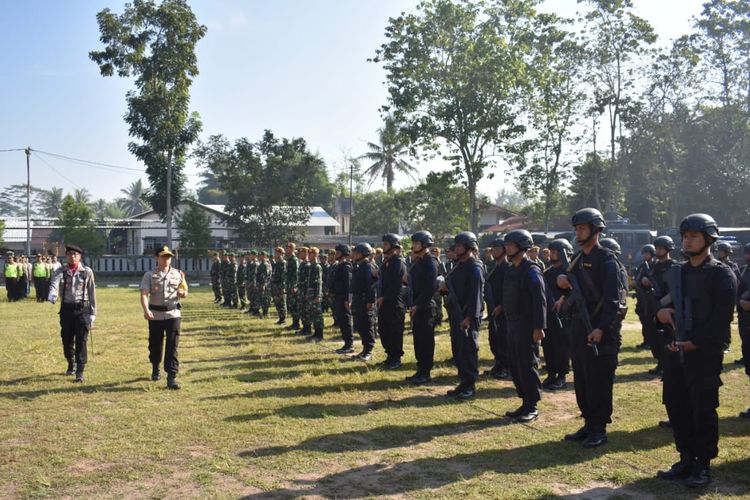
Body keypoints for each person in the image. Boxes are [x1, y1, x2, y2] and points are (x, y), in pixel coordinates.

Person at [656, 214, 736, 488]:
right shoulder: (678, 271)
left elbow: (721, 318)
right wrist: (663, 316)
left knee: (702, 408)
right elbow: (663, 306)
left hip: (704, 354)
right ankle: (686, 457)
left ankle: (702, 464)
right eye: (685, 236)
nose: (687, 241)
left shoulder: (721, 274)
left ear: (709, 239)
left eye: (693, 236)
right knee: (676, 405)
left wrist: (696, 342)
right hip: (676, 349)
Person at [558, 208, 624, 448]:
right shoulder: (577, 258)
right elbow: (568, 287)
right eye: (576, 228)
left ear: (596, 230)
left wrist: (602, 328)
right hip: (578, 327)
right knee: (583, 379)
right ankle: (588, 422)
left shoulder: (607, 260)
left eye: (583, 228)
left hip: (600, 330)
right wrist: (562, 282)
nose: (578, 232)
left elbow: (613, 301)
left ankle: (599, 427)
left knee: (599, 381)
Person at [502, 230, 546, 422]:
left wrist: (539, 327)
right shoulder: (511, 269)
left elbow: (540, 300)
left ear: (521, 247)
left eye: (510, 245)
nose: (507, 248)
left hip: (527, 325)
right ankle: (524, 401)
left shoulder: (531, 270)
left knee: (527, 364)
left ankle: (532, 405)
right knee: (515, 364)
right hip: (512, 323)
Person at [140, 244, 187, 389]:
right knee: (155, 344)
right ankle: (155, 367)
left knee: (172, 345)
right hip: (155, 315)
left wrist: (182, 293)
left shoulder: (178, 274)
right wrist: (146, 310)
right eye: (163, 256)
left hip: (173, 314)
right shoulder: (150, 275)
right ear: (156, 258)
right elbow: (144, 294)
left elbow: (185, 291)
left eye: (168, 257)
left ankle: (171, 377)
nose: (166, 259)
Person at [47, 244, 97, 382]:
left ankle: (80, 371)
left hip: (82, 310)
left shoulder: (86, 272)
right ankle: (71, 361)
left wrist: (93, 312)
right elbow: (54, 283)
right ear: (66, 256)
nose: (72, 257)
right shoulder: (60, 271)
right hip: (66, 310)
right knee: (67, 339)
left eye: (75, 254)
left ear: (80, 256)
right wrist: (52, 293)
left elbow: (92, 293)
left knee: (82, 340)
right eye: (70, 254)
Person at [444, 231, 484, 400]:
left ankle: (470, 385)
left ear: (469, 247)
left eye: (460, 246)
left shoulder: (474, 267)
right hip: (456, 313)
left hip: (467, 316)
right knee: (458, 349)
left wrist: (469, 317)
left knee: (468, 350)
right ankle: (463, 381)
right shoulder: (458, 265)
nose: (457, 248)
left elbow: (476, 295)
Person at [406, 231, 438, 385]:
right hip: (417, 306)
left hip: (425, 307)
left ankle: (426, 372)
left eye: (416, 243)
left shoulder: (430, 261)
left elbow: (431, 287)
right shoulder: (418, 261)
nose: (413, 245)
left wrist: (418, 304)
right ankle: (420, 369)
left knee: (425, 342)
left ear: (425, 244)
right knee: (418, 341)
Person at [543, 239, 573, 391]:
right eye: (551, 252)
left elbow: (575, 291)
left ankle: (561, 376)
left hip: (565, 315)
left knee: (562, 347)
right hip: (548, 314)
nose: (552, 254)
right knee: (548, 345)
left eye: (556, 252)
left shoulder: (571, 272)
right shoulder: (547, 272)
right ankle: (551, 373)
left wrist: (563, 298)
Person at [377, 234, 408, 369]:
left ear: (393, 245)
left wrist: (385, 297)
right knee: (384, 330)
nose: (383, 246)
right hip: (385, 302)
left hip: (395, 302)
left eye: (386, 244)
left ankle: (396, 358)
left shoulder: (398, 263)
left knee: (394, 331)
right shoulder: (386, 261)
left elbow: (397, 284)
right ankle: (390, 356)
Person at [484, 238, 510, 379]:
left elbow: (509, 291)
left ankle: (506, 366)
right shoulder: (495, 267)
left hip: (503, 309)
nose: (494, 251)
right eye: (492, 248)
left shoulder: (507, 268)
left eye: (497, 248)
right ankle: (499, 363)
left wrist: (501, 306)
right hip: (492, 307)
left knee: (504, 338)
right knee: (494, 338)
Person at [350, 243, 377, 361]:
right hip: (358, 299)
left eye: (356, 253)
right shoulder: (358, 266)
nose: (354, 254)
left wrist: (370, 301)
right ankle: (364, 349)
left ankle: (368, 350)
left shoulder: (368, 267)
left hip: (365, 300)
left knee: (367, 325)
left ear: (362, 254)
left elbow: (371, 286)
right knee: (360, 325)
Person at [331, 244, 354, 354]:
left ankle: (349, 345)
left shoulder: (346, 267)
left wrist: (348, 299)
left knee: (346, 321)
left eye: (338, 252)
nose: (336, 254)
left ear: (344, 254)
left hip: (344, 298)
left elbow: (349, 285)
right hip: (338, 297)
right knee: (341, 321)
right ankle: (346, 343)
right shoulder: (338, 266)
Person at [634, 244, 656, 349]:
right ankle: (646, 341)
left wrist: (649, 282)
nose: (644, 255)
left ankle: (651, 342)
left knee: (650, 321)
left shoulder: (655, 265)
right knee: (644, 319)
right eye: (643, 253)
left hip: (651, 298)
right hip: (642, 297)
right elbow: (637, 280)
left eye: (647, 253)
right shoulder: (642, 265)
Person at [305, 247, 325, 342]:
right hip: (311, 293)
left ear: (316, 255)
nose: (309, 255)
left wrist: (318, 295)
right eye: (308, 254)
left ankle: (319, 335)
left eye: (311, 254)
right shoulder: (311, 266)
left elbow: (319, 282)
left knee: (317, 315)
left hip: (315, 294)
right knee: (313, 314)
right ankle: (315, 333)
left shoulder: (317, 267)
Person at [285, 243, 300, 330]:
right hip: (289, 285)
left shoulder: (294, 260)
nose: (286, 249)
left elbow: (296, 274)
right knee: (291, 305)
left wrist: (294, 286)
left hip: (292, 286)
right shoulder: (289, 259)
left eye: (287, 248)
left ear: (292, 249)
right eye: (286, 248)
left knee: (294, 305)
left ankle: (296, 324)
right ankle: (294, 323)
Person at [296, 247, 311, 336]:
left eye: (300, 253)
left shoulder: (308, 265)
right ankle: (304, 327)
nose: (299, 254)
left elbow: (308, 280)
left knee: (306, 310)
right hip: (301, 290)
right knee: (302, 310)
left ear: (305, 254)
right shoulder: (302, 264)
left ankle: (308, 328)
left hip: (305, 290)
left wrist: (307, 292)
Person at [271, 247, 287, 325]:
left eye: (277, 253)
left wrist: (282, 287)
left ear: (281, 254)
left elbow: (284, 277)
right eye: (275, 253)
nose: (276, 254)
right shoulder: (276, 263)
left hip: (280, 286)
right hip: (275, 285)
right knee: (277, 303)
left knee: (282, 303)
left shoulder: (283, 263)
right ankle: (280, 318)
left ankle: (283, 319)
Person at [431, 247, 446, 326]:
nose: (434, 253)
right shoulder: (432, 261)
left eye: (436, 251)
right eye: (433, 251)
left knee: (438, 302)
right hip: (433, 284)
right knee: (434, 302)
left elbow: (443, 273)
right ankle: (436, 318)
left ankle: (439, 319)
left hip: (439, 284)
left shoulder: (440, 262)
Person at [256, 251, 272, 318]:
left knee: (265, 299)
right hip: (261, 284)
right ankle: (264, 313)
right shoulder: (261, 264)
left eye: (261, 255)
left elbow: (265, 275)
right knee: (262, 298)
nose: (259, 257)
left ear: (264, 256)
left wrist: (263, 284)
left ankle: (266, 313)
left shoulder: (265, 264)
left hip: (265, 285)